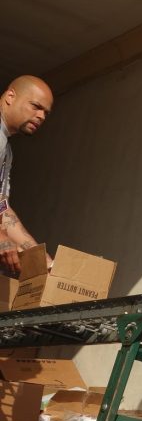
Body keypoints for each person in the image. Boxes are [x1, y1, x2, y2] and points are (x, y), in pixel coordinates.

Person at [0, 75, 54, 275]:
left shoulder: (6, 151)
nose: (41, 116)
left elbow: (1, 208)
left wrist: (40, 258)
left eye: (45, 112)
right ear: (10, 96)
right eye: (35, 106)